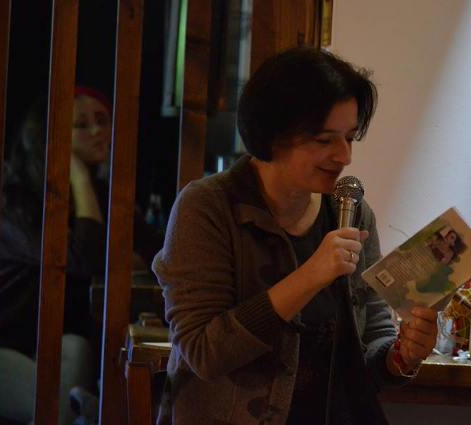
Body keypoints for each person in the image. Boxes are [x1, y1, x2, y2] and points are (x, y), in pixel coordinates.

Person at [152, 47, 438, 425]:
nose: (344, 156)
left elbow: (368, 350)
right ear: (274, 134)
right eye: (324, 140)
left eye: (350, 138)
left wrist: (403, 354)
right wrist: (310, 275)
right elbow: (204, 352)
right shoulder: (208, 207)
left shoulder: (350, 211)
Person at [0, 87, 161, 425]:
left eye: (102, 120)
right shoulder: (14, 198)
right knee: (55, 409)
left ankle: (87, 410)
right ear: (51, 136)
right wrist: (79, 175)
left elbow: (159, 252)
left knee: (77, 349)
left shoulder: (102, 194)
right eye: (81, 125)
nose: (97, 131)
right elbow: (86, 258)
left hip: (49, 341)